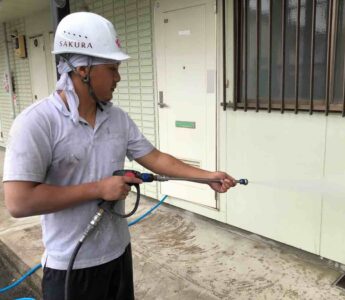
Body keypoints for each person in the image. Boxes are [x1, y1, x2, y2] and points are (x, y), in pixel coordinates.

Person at [2, 12, 236, 300]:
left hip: (117, 255)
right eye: (112, 68)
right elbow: (18, 200)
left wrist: (207, 177)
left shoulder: (117, 118)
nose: (118, 78)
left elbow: (155, 158)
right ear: (83, 69)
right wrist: (99, 189)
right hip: (71, 267)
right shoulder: (37, 122)